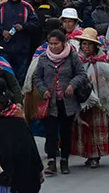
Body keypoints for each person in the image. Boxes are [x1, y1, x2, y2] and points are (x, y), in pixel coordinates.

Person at [33, 29, 87, 176]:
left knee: (66, 132)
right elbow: (37, 77)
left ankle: (64, 161)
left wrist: (72, 85)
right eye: (50, 43)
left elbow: (81, 74)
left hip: (67, 102)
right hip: (50, 103)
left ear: (63, 43)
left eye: (56, 43)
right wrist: (43, 89)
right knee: (50, 133)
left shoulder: (72, 56)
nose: (53, 46)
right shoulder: (43, 58)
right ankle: (51, 163)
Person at [73, 28, 109, 168]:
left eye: (89, 44)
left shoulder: (104, 63)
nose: (86, 47)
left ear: (95, 46)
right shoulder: (77, 62)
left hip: (101, 104)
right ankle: (88, 154)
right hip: (85, 102)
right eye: (84, 44)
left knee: (97, 128)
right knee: (85, 129)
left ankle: (95, 156)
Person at [0, 0, 40, 83]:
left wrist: (23, 27)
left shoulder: (27, 7)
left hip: (22, 49)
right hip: (5, 49)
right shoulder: (1, 7)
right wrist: (2, 31)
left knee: (21, 76)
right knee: (5, 74)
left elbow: (36, 24)